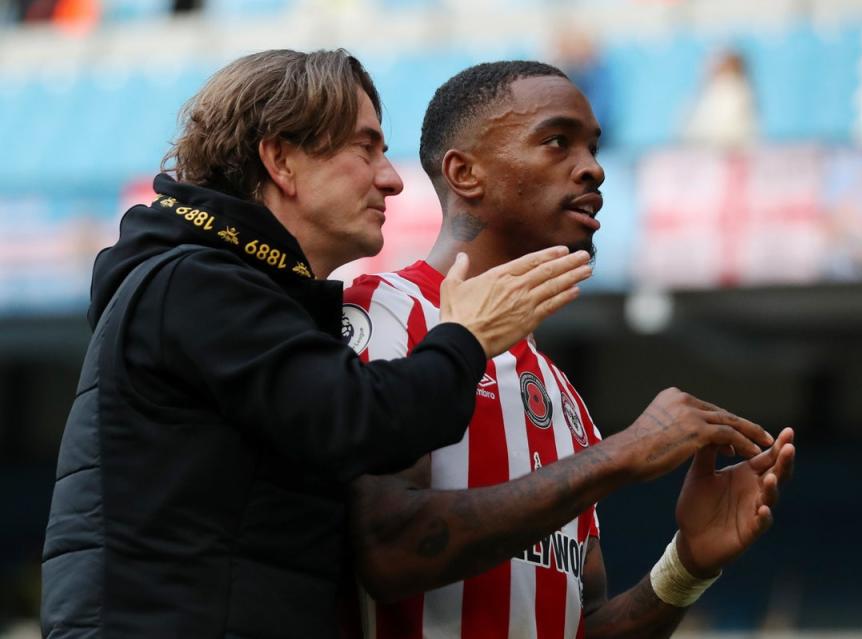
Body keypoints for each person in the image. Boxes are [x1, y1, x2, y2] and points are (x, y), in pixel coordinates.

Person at [40, 50, 592, 639]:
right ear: (281, 159)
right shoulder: (196, 283)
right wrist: (466, 337)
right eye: (366, 147)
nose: (392, 177)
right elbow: (363, 422)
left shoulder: (229, 290)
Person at [341, 61, 796, 638]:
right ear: (465, 173)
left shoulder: (561, 396)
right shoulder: (384, 314)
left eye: (594, 147)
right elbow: (389, 549)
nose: (594, 169)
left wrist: (686, 566)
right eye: (558, 142)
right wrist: (619, 456)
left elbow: (582, 624)